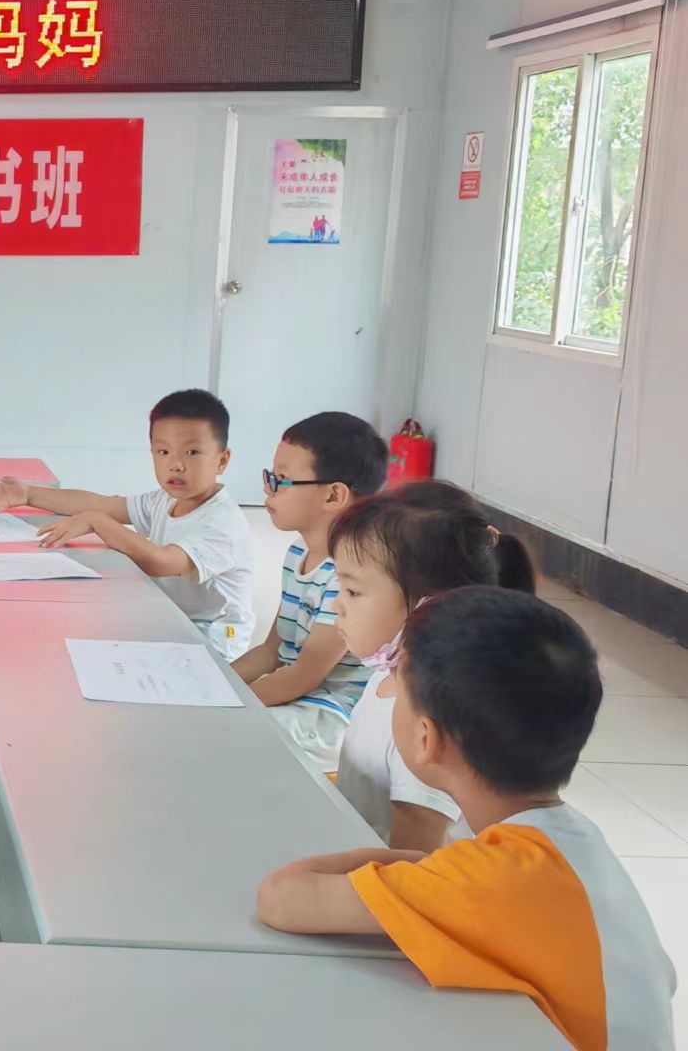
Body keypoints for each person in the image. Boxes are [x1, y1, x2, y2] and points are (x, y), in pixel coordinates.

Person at [257, 587, 676, 1051]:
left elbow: (282, 897)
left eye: (395, 682)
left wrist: (394, 870)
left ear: (427, 739)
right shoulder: (571, 843)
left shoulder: (488, 880)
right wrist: (421, 870)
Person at [324, 479, 536, 849]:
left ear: (429, 607)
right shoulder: (388, 677)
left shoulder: (427, 723)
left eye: (353, 591)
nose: (336, 604)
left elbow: (415, 859)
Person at [0, 389, 255, 659]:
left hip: (211, 640)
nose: (176, 464)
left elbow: (161, 563)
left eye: (192, 452)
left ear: (222, 460)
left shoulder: (222, 524)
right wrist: (28, 494)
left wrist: (98, 522)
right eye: (163, 451)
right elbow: (102, 504)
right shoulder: (166, 499)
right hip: (169, 617)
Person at [230, 412, 388, 773]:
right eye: (270, 477)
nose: (269, 489)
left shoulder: (352, 573)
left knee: (228, 738)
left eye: (282, 480)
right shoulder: (298, 552)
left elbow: (306, 674)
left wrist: (233, 704)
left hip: (334, 717)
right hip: (300, 701)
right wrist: (220, 684)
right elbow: (272, 650)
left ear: (333, 495)